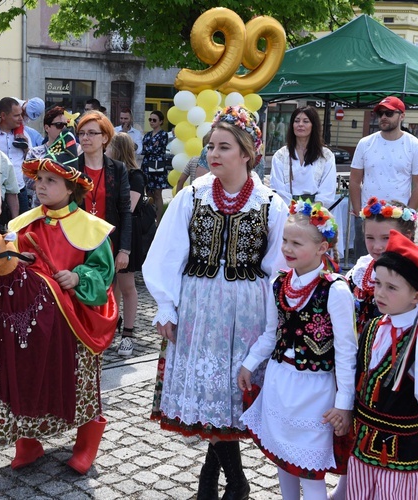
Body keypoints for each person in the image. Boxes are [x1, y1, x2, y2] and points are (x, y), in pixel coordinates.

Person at [143, 105, 287, 500]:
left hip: (247, 314)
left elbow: (278, 269)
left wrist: (274, 327)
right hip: (198, 309)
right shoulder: (191, 197)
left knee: (226, 399)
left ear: (247, 153)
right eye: (210, 146)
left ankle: (217, 481)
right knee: (211, 398)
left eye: (224, 147)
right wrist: (166, 306)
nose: (213, 154)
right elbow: (166, 254)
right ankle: (229, 482)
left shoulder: (270, 203)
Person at [0, 135, 118, 474]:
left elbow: (103, 271)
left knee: (80, 377)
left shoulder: (91, 228)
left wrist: (78, 277)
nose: (41, 186)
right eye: (38, 180)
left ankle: (87, 442)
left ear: (71, 188)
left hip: (75, 320)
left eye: (50, 180)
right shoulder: (22, 224)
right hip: (33, 323)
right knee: (28, 375)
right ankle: (29, 442)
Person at [238, 200, 356, 500]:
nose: (287, 249)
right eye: (285, 241)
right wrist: (250, 363)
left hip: (315, 390)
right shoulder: (279, 282)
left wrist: (344, 403)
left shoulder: (335, 289)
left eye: (297, 243)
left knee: (310, 469)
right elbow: (271, 332)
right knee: (284, 459)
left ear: (322, 248)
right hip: (281, 381)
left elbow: (345, 351)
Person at [346, 231, 418, 500]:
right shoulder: (372, 327)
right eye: (378, 283)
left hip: (398, 457)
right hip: (361, 449)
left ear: (416, 297)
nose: (379, 293)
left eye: (391, 288)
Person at [349, 96, 418, 259]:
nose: (383, 117)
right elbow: (355, 180)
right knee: (364, 263)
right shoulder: (365, 143)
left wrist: (408, 213)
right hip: (368, 215)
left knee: (396, 265)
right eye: (380, 113)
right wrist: (358, 211)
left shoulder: (415, 145)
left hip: (398, 218)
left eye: (389, 113)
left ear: (402, 116)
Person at [347, 198, 418, 328]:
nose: (377, 246)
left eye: (386, 238)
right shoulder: (361, 269)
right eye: (370, 238)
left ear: (407, 236)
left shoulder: (414, 276)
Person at [75, 110, 132, 276]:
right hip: (77, 242)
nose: (85, 138)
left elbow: (125, 211)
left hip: (108, 244)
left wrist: (124, 250)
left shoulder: (118, 168)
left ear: (105, 138)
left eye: (92, 133)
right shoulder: (72, 168)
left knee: (105, 295)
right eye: (82, 133)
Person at [106, 132, 147, 356]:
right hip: (110, 234)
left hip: (126, 236)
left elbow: (127, 210)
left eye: (109, 146)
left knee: (127, 286)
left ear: (117, 148)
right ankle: (113, 322)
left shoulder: (135, 176)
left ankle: (128, 335)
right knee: (113, 286)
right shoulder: (109, 172)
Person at [268, 106, 337, 208]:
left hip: (316, 212)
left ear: (313, 125)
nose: (300, 124)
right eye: (296, 121)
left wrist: (313, 210)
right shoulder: (281, 155)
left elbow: (327, 188)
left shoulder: (326, 155)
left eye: (305, 121)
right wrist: (292, 211)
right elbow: (278, 187)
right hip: (287, 211)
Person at [0, 97, 31, 215]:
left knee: (23, 227)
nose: (21, 119)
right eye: (16, 115)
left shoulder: (23, 134)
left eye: (21, 115)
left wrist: (26, 148)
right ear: (3, 115)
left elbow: (30, 162)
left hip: (20, 189)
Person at [141, 110, 169, 221]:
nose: (151, 122)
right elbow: (143, 150)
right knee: (148, 192)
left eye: (154, 120)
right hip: (147, 165)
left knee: (157, 193)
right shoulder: (147, 134)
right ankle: (150, 217)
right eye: (150, 119)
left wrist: (150, 147)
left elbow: (157, 149)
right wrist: (151, 147)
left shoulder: (163, 134)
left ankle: (158, 218)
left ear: (161, 121)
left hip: (157, 165)